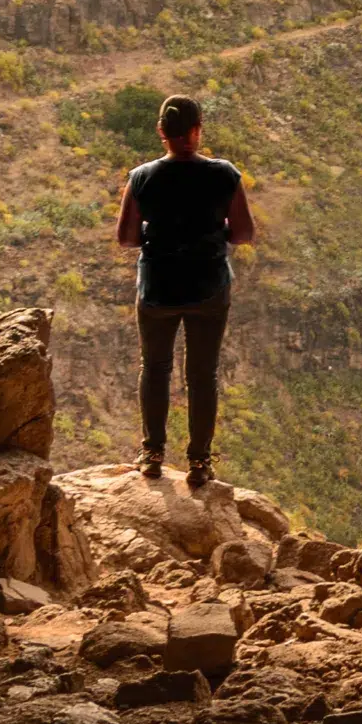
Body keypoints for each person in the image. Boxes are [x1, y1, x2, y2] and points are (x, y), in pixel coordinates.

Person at [114, 94, 254, 487]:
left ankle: (152, 454)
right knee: (202, 373)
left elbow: (126, 238)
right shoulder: (224, 174)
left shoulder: (141, 177)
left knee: (155, 368)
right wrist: (210, 234)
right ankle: (199, 462)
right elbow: (244, 233)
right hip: (209, 288)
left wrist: (159, 235)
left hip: (158, 288)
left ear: (162, 132)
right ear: (197, 129)